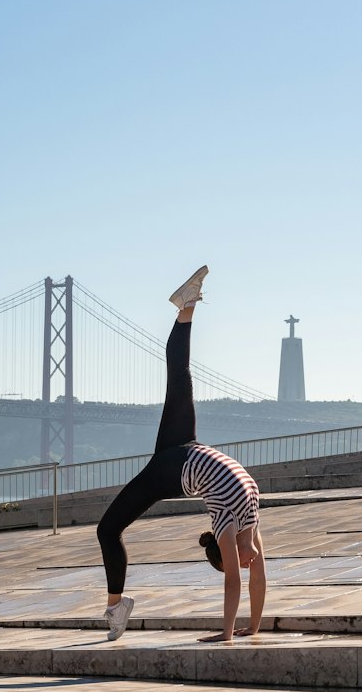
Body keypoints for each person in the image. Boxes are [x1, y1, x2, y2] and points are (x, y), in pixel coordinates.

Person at [97, 267, 267, 644]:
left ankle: (186, 309)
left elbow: (254, 577)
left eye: (237, 563)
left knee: (108, 529)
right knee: (180, 374)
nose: (249, 562)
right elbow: (242, 581)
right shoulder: (240, 520)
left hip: (183, 455)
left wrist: (252, 628)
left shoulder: (243, 522)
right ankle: (187, 306)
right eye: (238, 564)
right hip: (176, 460)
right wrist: (226, 634)